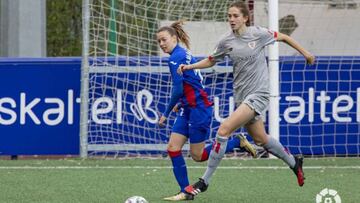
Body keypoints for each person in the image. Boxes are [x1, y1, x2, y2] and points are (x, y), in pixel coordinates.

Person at [177, 1, 315, 196]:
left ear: (245, 18)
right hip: (242, 96)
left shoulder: (258, 34)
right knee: (260, 139)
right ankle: (294, 163)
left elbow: (282, 36)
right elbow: (211, 60)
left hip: (259, 93)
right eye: (229, 16)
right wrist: (190, 67)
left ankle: (203, 182)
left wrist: (306, 53)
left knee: (224, 129)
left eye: (235, 16)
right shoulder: (226, 41)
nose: (231, 19)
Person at [156, 20, 257, 201]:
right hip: (189, 107)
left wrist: (166, 113)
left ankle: (236, 143)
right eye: (159, 42)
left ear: (174, 38)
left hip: (198, 109)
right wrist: (183, 102)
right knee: (173, 148)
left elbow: (178, 89)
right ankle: (186, 191)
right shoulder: (182, 53)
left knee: (198, 156)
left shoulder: (175, 58)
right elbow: (193, 81)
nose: (162, 44)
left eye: (164, 40)